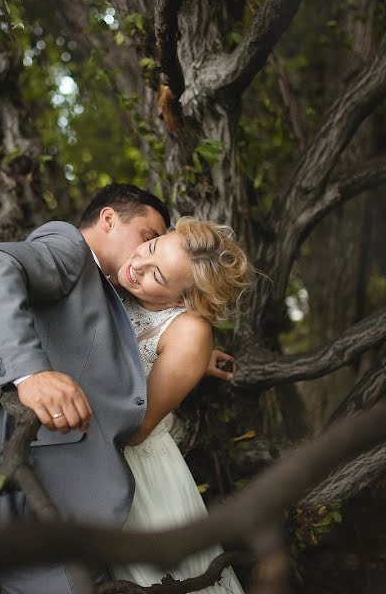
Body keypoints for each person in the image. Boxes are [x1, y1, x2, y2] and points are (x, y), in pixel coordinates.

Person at [0, 183, 170, 593]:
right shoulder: (68, 247)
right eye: (148, 237)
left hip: (65, 498)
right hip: (48, 498)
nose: (147, 252)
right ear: (109, 218)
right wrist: (29, 373)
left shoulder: (99, 283)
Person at [108, 216, 253, 592]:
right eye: (151, 248)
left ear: (181, 301)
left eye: (157, 275)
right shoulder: (117, 273)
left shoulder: (189, 330)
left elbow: (136, 431)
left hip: (138, 475)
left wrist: (191, 357)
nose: (138, 265)